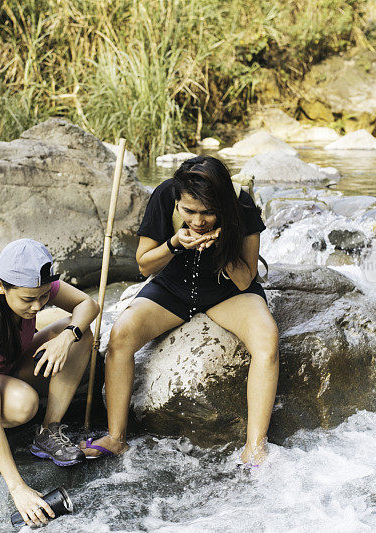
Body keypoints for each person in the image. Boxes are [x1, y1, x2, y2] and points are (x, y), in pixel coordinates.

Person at [80, 155, 279, 466]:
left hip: (227, 292)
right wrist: (174, 243)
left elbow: (244, 279)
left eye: (208, 213)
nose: (198, 221)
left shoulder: (240, 205)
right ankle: (117, 438)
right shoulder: (165, 194)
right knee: (121, 334)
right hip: (172, 289)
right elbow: (145, 265)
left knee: (267, 341)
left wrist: (221, 243)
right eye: (189, 211)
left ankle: (255, 447)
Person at [0, 238, 99, 527]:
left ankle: (47, 432)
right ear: (1, 285)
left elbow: (88, 304)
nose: (37, 306)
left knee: (81, 334)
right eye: (27, 300)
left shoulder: (35, 284)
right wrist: (18, 488)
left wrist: (67, 335)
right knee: (24, 404)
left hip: (6, 363)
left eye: (44, 296)